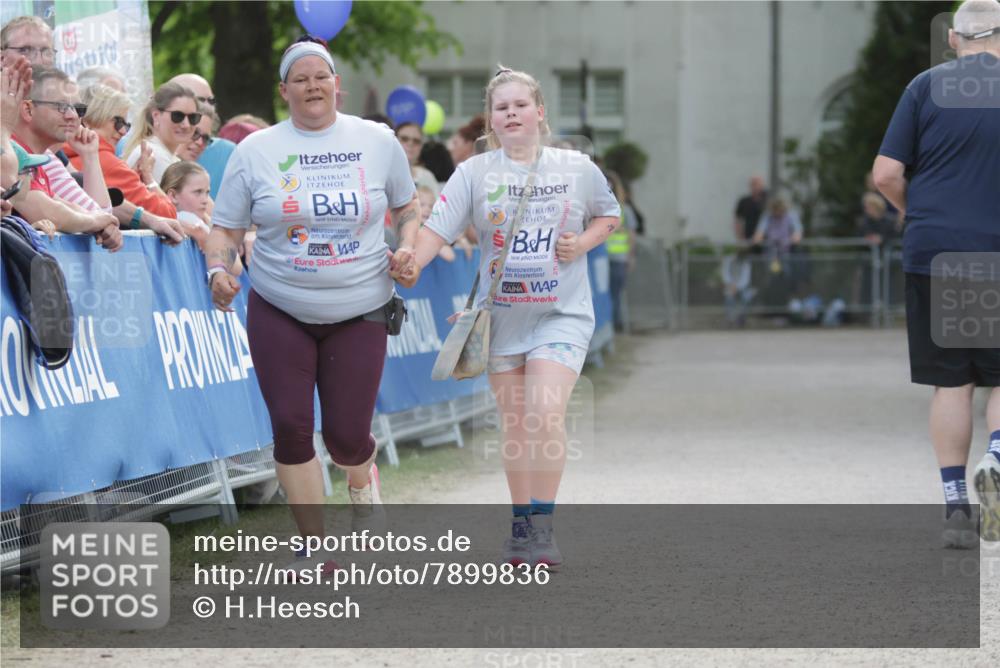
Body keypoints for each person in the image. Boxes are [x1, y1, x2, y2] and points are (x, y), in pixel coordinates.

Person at [205, 35, 420, 574]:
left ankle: (359, 478)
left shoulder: (376, 140)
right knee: (291, 426)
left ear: (336, 85)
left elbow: (408, 208)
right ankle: (314, 542)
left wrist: (410, 248)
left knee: (348, 438)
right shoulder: (256, 150)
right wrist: (219, 269)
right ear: (284, 91)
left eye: (320, 76)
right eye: (299, 79)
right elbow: (226, 227)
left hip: (361, 306)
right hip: (279, 304)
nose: (311, 86)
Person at [404, 66, 622, 568]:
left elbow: (609, 214)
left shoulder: (575, 167)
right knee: (517, 425)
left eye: (520, 105)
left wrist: (582, 242)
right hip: (502, 320)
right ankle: (521, 523)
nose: (512, 113)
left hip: (561, 315)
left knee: (544, 414)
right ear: (492, 123)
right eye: (502, 108)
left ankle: (542, 528)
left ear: (540, 113)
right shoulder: (473, 174)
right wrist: (411, 261)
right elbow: (437, 230)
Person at [873, 0, 1000, 548]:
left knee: (951, 384)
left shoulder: (924, 87)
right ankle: (996, 459)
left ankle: (955, 512)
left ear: (953, 38)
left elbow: (886, 174)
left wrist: (920, 214)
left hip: (935, 253)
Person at [72, 84, 178, 219]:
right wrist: (148, 178)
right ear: (87, 121)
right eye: (117, 122)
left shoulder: (56, 155)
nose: (123, 131)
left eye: (126, 125)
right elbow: (168, 213)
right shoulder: (109, 163)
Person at [168, 73, 238, 199]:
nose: (208, 107)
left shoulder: (228, 152)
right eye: (199, 100)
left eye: (211, 101)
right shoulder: (148, 152)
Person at [122, 81, 201, 183]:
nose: (186, 125)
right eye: (177, 116)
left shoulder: (166, 155)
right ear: (156, 116)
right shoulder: (155, 155)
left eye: (193, 117)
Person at [605, 170, 637, 332]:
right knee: (606, 295)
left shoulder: (624, 211)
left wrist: (630, 257)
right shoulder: (601, 209)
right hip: (602, 259)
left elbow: (631, 236)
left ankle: (613, 327)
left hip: (618, 260)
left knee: (614, 295)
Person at [161, 161, 213, 250]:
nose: (205, 200)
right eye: (198, 192)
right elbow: (233, 262)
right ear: (173, 196)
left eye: (207, 193)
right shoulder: (191, 221)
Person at [395, 121, 439, 195]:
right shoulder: (383, 174)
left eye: (416, 141)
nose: (410, 143)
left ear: (421, 147)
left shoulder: (427, 177)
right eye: (404, 139)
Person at [734, 175, 768, 241]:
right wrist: (740, 237)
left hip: (766, 239)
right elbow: (738, 220)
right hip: (749, 237)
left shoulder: (768, 199)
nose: (756, 187)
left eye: (758, 184)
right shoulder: (744, 201)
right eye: (754, 184)